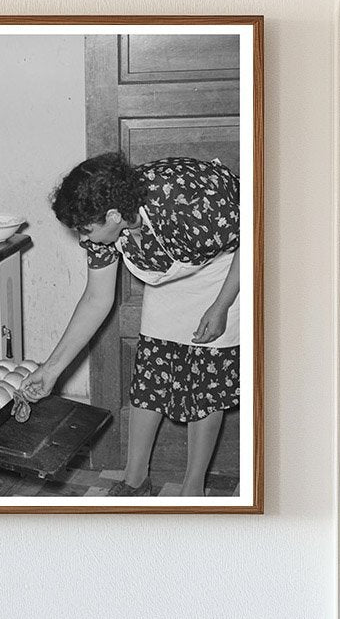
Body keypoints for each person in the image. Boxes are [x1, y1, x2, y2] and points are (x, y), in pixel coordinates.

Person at [20, 152, 241, 497]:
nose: (84, 240)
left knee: (205, 380)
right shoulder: (104, 222)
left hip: (225, 268)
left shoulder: (189, 200)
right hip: (170, 270)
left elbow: (254, 236)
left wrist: (222, 305)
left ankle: (193, 489)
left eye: (86, 231)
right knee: (152, 372)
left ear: (112, 216)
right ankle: (135, 480)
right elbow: (96, 299)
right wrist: (51, 370)